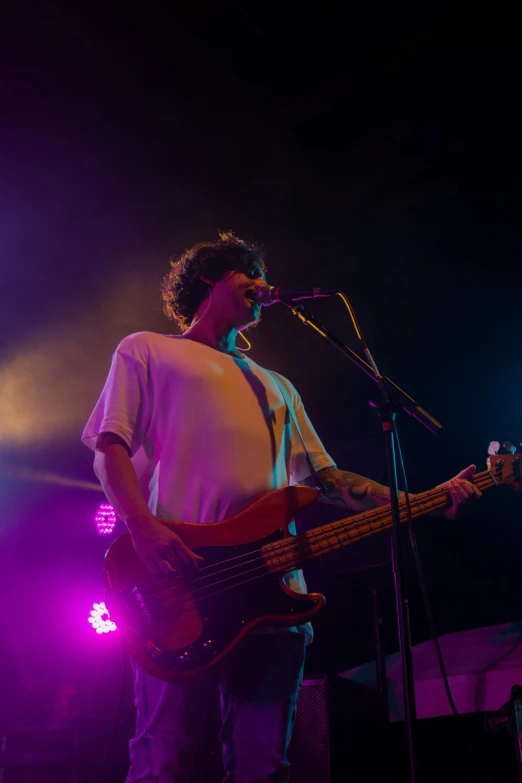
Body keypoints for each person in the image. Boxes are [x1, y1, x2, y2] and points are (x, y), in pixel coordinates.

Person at [82, 231, 481, 783]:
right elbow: (110, 450)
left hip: (274, 594)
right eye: (248, 272)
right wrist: (142, 528)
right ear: (210, 277)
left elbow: (327, 480)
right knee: (165, 758)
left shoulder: (275, 385)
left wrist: (424, 501)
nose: (262, 284)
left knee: (264, 766)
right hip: (182, 582)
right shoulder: (147, 348)